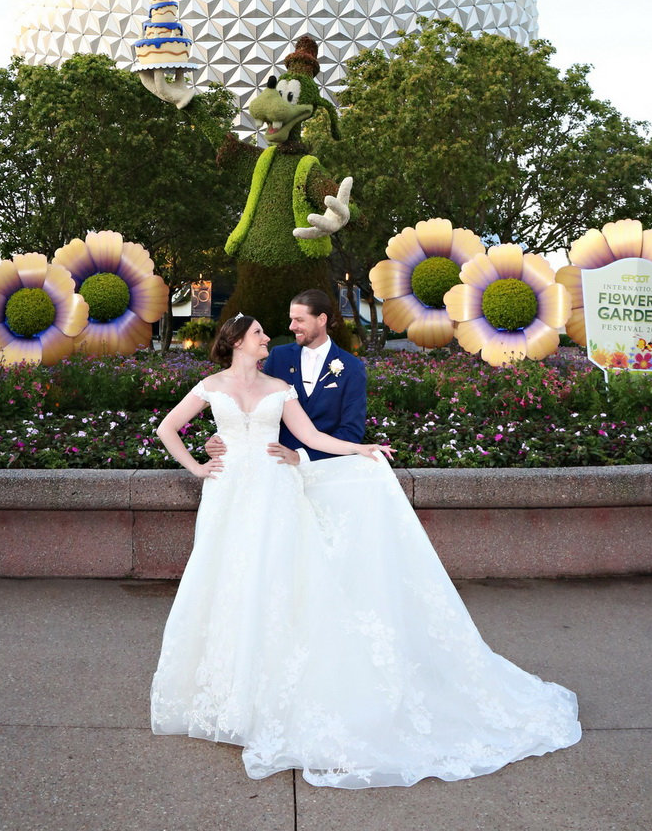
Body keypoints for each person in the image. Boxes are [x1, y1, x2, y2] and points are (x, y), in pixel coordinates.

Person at [150, 310, 581, 787]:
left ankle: (269, 693)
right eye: (257, 335)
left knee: (278, 583)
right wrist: (196, 468)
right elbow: (168, 428)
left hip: (276, 493)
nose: (266, 339)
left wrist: (362, 450)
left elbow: (312, 436)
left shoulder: (279, 389)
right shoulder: (210, 386)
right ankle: (228, 694)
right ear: (235, 341)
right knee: (227, 581)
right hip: (228, 493)